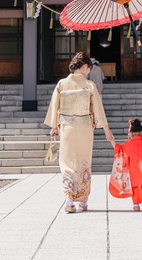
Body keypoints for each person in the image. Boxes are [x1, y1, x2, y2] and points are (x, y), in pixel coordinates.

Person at [44, 52, 115, 213]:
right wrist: (106, 129)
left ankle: (69, 199)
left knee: (68, 162)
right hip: (84, 128)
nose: (89, 72)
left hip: (67, 127)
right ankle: (83, 200)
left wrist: (54, 126)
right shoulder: (89, 85)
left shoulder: (62, 84)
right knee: (84, 162)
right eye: (88, 69)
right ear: (84, 67)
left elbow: (55, 107)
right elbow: (98, 108)